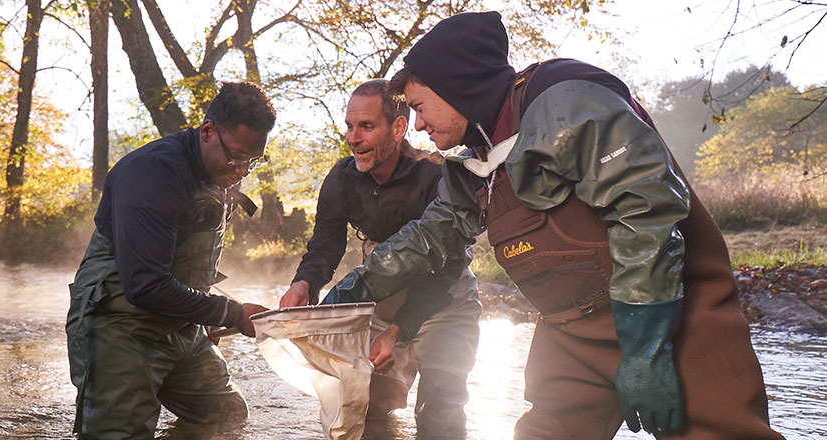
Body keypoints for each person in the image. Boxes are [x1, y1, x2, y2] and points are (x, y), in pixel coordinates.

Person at [324, 11, 784, 440]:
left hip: (672, 312)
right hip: (569, 334)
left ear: (457, 86)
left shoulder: (568, 100)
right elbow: (429, 238)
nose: (418, 124)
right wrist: (351, 292)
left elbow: (647, 214)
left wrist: (645, 348)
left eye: (422, 107)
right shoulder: (471, 164)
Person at [65, 81, 274, 439]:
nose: (242, 170)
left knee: (225, 416)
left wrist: (203, 314)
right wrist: (231, 313)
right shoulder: (151, 174)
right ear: (208, 130)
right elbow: (146, 284)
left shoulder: (218, 172)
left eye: (253, 161)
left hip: (179, 324)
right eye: (237, 157)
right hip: (120, 325)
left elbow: (192, 257)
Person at [279, 79, 481, 439]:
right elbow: (324, 247)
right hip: (380, 300)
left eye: (366, 127)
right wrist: (304, 283)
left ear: (399, 128)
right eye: (349, 126)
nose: (353, 138)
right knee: (363, 408)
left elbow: (446, 268)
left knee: (440, 418)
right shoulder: (341, 179)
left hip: (445, 300)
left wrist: (399, 330)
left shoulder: (435, 177)